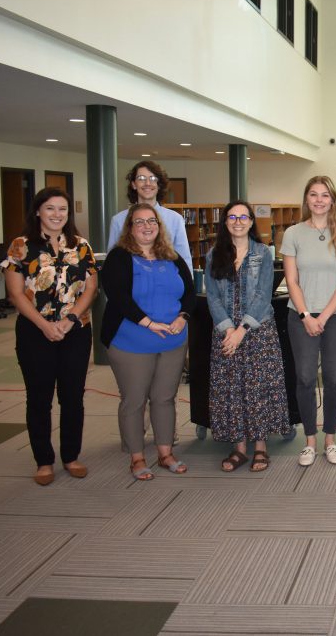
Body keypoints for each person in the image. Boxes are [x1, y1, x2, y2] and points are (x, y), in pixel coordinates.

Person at [2, 187, 98, 486]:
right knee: (39, 398)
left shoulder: (80, 245)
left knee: (73, 396)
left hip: (76, 330)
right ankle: (44, 460)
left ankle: (71, 456)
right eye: (50, 209)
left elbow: (91, 287)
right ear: (38, 212)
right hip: (34, 331)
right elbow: (16, 294)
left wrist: (69, 319)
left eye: (62, 209)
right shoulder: (21, 246)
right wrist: (44, 325)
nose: (57, 215)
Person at [101, 204, 195, 480]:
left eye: (151, 221)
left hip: (173, 339)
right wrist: (149, 323)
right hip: (132, 339)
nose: (146, 226)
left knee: (165, 399)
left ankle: (165, 453)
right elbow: (118, 296)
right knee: (134, 400)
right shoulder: (119, 257)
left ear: (159, 225)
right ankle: (137, 457)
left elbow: (189, 292)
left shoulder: (172, 256)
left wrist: (183, 317)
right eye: (139, 221)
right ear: (129, 227)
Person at [205, 201, 291, 473]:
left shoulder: (262, 253)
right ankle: (240, 448)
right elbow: (213, 296)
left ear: (252, 221)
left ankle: (261, 447)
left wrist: (242, 330)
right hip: (225, 333)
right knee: (232, 389)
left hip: (257, 332)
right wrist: (228, 329)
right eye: (232, 217)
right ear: (225, 222)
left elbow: (263, 295)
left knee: (258, 389)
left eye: (243, 216)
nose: (238, 221)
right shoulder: (213, 254)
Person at [281, 177, 336, 467]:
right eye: (313, 195)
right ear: (306, 199)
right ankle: (310, 441)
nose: (318, 200)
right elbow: (291, 279)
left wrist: (323, 317)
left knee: (334, 378)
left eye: (324, 195)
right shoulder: (293, 233)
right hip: (300, 316)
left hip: (335, 317)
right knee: (303, 377)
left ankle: (330, 440)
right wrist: (305, 316)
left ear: (332, 200)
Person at [107, 161, 191, 261]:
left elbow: (185, 259)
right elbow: (112, 261)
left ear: (159, 185)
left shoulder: (175, 219)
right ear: (134, 184)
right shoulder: (118, 220)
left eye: (153, 178)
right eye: (141, 178)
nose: (147, 183)